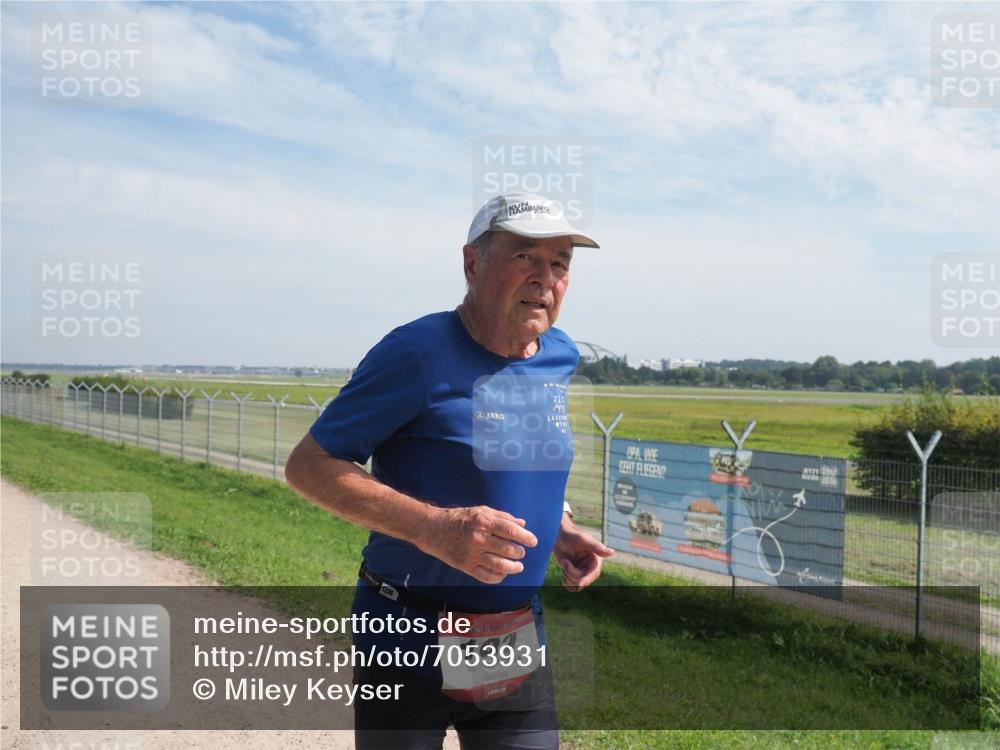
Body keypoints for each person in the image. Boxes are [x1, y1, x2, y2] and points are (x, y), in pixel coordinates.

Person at [285, 192, 614, 749]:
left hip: (511, 629)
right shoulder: (416, 352)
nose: (545, 277)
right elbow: (310, 466)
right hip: (406, 629)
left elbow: (514, 451)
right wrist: (432, 528)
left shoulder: (557, 354)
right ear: (472, 263)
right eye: (524, 257)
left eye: (560, 263)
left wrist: (555, 527)